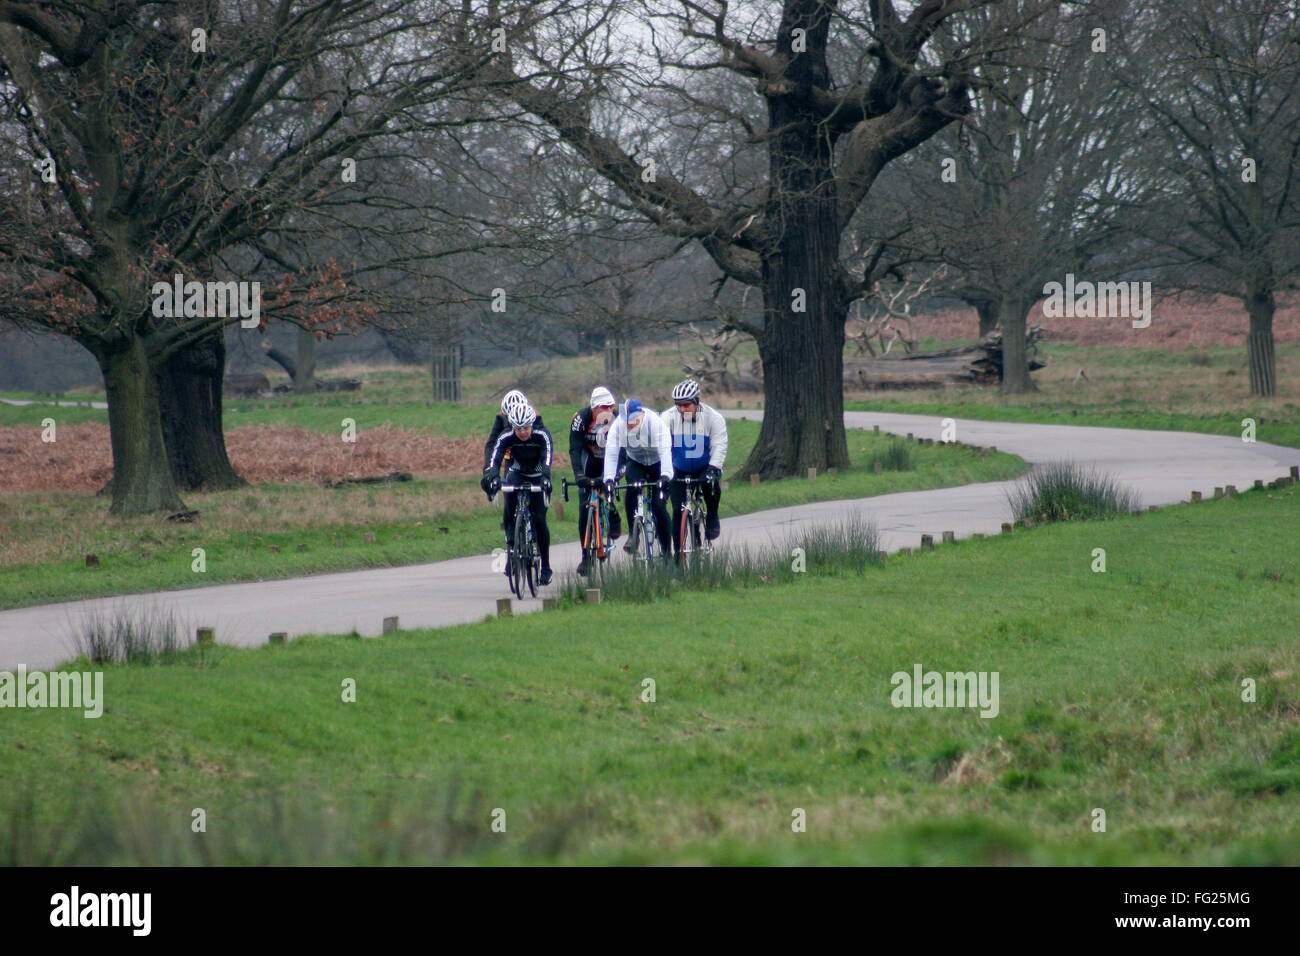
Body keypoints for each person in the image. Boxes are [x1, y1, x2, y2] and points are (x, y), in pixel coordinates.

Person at [481, 403, 554, 585]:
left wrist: (546, 476)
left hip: (538, 475)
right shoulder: (506, 436)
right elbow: (495, 457)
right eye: (518, 429)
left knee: (539, 520)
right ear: (512, 427)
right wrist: (492, 475)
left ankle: (545, 567)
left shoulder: (542, 435)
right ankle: (512, 548)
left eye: (526, 428)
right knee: (509, 507)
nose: (523, 433)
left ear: (532, 425)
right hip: (517, 472)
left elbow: (547, 457)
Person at [660, 379, 728, 553]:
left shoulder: (713, 418)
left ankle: (712, 516)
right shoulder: (667, 417)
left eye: (686, 405)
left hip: (704, 466)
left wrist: (714, 467)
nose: (682, 410)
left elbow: (719, 445)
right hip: (679, 467)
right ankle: (678, 556)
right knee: (677, 510)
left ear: (697, 402)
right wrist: (665, 471)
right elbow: (662, 446)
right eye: (678, 405)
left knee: (709, 484)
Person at [602, 398, 673, 558]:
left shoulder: (655, 423)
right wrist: (609, 479)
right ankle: (633, 535)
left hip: (658, 462)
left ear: (641, 414)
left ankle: (668, 551)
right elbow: (612, 454)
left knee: (658, 506)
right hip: (636, 460)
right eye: (627, 421)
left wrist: (666, 476)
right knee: (632, 489)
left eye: (634, 420)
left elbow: (665, 450)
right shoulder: (618, 426)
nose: (630, 424)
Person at [569, 386, 623, 575]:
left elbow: (624, 454)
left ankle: (612, 511)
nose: (607, 410)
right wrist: (579, 476)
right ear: (593, 409)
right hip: (589, 459)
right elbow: (575, 450)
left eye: (610, 406)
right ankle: (585, 557)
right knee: (584, 507)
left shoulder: (618, 419)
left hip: (611, 457)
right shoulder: (580, 419)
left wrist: (615, 475)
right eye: (603, 407)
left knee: (607, 489)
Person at [483, 389, 545, 473]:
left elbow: (543, 444)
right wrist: (488, 468)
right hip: (512, 451)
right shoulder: (501, 416)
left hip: (533, 453)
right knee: (509, 476)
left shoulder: (535, 417)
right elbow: (492, 443)